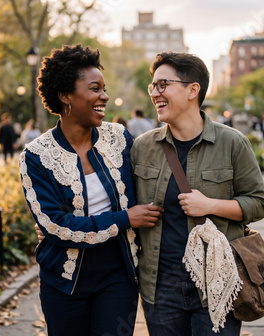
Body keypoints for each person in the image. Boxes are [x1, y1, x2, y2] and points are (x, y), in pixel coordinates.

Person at [20, 44, 162, 336]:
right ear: (65, 96)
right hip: (64, 281)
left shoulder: (119, 138)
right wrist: (125, 218)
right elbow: (56, 225)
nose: (105, 96)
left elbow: (154, 176)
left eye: (104, 88)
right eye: (95, 88)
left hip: (118, 275)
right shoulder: (36, 156)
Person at [131, 52, 264, 335]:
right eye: (153, 86)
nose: (155, 93)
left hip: (217, 283)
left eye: (163, 85)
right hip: (161, 287)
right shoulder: (142, 147)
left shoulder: (232, 143)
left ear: (193, 89)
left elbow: (258, 203)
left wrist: (210, 205)